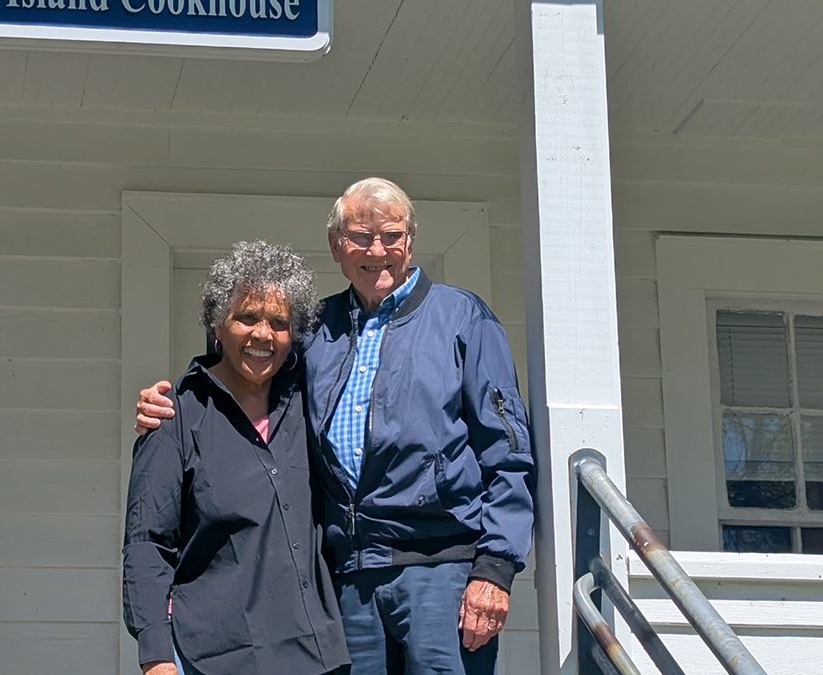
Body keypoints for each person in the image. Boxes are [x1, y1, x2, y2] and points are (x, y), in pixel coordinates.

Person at [135, 178, 535, 675]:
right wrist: (174, 397)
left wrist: (495, 569)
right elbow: (250, 360)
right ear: (335, 245)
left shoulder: (462, 319)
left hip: (439, 569)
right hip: (345, 578)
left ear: (410, 239)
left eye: (391, 235)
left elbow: (509, 453)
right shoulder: (316, 328)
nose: (377, 250)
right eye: (359, 236)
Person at [122, 240, 349, 675]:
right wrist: (156, 658)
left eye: (279, 323)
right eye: (247, 318)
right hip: (215, 656)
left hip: (316, 654)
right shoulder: (175, 417)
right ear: (217, 324)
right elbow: (147, 546)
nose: (263, 334)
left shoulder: (311, 406)